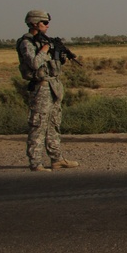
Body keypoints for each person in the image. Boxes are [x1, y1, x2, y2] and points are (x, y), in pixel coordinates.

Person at [15, 10, 80, 172]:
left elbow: (52, 66)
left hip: (53, 86)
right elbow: (34, 63)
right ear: (34, 23)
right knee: (38, 124)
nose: (47, 26)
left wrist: (58, 56)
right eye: (44, 23)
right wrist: (45, 49)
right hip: (41, 86)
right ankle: (36, 162)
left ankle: (56, 158)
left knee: (54, 124)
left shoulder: (43, 41)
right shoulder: (26, 43)